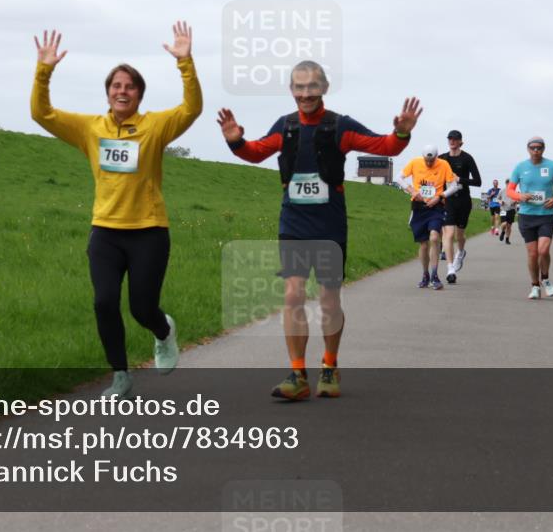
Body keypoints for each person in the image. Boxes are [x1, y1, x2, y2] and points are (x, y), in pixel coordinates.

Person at [217, 61, 420, 401]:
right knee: (293, 294)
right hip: (293, 222)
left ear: (324, 88)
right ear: (291, 90)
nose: (305, 93)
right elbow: (256, 152)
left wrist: (401, 132)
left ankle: (329, 365)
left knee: (328, 299)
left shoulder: (338, 126)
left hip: (329, 225)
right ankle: (297, 374)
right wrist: (237, 142)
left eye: (312, 86)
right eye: (299, 87)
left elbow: (384, 147)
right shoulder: (286, 126)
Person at [30, 23, 202, 398]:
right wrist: (44, 71)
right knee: (103, 302)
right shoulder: (91, 128)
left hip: (149, 231)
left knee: (142, 309)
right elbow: (41, 114)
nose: (122, 91)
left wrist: (185, 63)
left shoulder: (155, 126)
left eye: (129, 86)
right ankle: (120, 375)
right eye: (116, 86)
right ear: (108, 93)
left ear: (139, 94)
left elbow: (192, 109)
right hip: (105, 231)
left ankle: (163, 331)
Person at [506, 137, 553, 299]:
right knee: (532, 254)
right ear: (528, 149)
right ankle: (535, 286)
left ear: (543, 149)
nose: (536, 151)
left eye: (539, 148)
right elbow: (510, 190)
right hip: (526, 215)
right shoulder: (520, 167)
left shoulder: (552, 166)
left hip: (546, 215)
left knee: (543, 250)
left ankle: (545, 279)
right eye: (532, 148)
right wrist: (520, 196)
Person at [401, 145, 461, 291]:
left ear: (436, 157)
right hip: (418, 207)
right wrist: (412, 191)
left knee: (434, 237)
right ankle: (425, 275)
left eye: (432, 160)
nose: (429, 163)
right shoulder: (415, 162)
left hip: (436, 207)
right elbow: (399, 178)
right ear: (423, 158)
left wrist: (440, 196)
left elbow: (454, 186)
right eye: (427, 161)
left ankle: (435, 275)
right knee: (423, 244)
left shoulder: (444, 164)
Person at [441, 130, 482, 284]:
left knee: (459, 235)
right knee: (449, 235)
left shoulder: (467, 158)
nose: (452, 141)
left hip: (464, 201)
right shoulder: (442, 159)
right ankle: (450, 269)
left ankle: (461, 252)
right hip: (448, 200)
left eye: (455, 139)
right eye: (450, 138)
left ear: (460, 142)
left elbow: (478, 181)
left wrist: (460, 179)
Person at [498, 178, 517, 244]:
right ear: (506, 183)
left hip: (511, 209)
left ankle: (507, 239)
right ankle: (503, 232)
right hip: (503, 209)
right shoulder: (502, 191)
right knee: (504, 224)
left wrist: (515, 202)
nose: (508, 184)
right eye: (507, 183)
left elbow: (517, 199)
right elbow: (497, 199)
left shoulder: (514, 191)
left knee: (509, 226)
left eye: (509, 183)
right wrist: (500, 202)